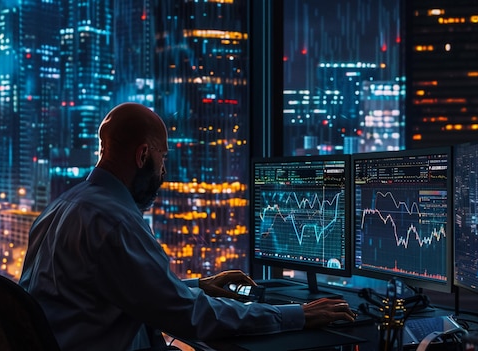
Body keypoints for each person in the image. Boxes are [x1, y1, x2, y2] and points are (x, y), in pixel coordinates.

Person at [19, 102, 356, 350]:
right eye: (162, 158)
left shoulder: (60, 207)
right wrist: (298, 315)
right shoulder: (115, 222)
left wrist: (199, 284)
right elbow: (188, 317)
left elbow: (126, 289)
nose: (163, 171)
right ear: (142, 155)